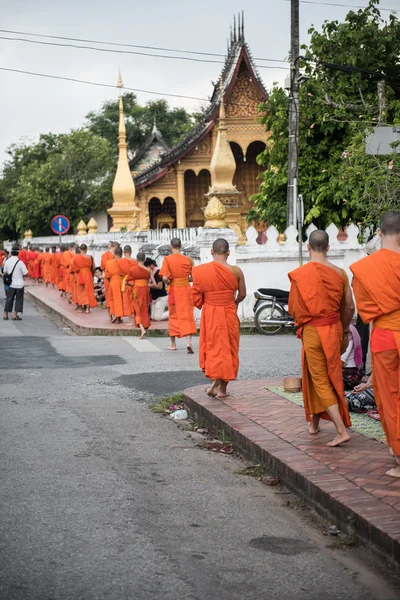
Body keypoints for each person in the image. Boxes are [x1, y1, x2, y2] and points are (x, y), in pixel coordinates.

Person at [288, 230, 354, 447]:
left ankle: (340, 430)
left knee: (320, 378)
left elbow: (294, 309)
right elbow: (349, 306)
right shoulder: (340, 273)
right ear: (328, 247)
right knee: (320, 374)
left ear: (308, 247)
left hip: (313, 331)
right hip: (334, 329)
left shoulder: (301, 274)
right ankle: (314, 423)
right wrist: (344, 329)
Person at [350, 211, 400, 478]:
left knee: (388, 395)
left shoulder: (366, 268)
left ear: (379, 233)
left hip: (384, 336)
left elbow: (366, 312)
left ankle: (399, 454)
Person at [192, 238, 246, 399]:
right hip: (229, 312)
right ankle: (221, 389)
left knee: (214, 349)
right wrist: (233, 302)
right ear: (229, 252)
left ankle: (215, 384)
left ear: (211, 252)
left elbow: (195, 296)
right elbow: (242, 293)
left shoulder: (201, 271)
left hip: (211, 314)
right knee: (229, 349)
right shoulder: (236, 271)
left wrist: (207, 301)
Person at [159, 238, 196, 353]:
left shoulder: (168, 259)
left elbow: (165, 278)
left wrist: (169, 282)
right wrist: (184, 279)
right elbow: (193, 277)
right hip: (185, 289)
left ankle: (173, 344)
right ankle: (189, 342)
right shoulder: (188, 260)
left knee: (173, 315)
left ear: (171, 246)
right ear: (181, 246)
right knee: (187, 315)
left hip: (174, 290)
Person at [127, 252, 153, 338]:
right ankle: (145, 327)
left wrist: (133, 285)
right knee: (144, 309)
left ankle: (142, 328)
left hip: (136, 289)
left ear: (137, 259)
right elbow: (151, 282)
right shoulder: (148, 270)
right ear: (145, 259)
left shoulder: (132, 269)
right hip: (145, 289)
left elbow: (127, 282)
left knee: (137, 309)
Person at [3, 246, 28, 320]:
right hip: (19, 284)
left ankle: (6, 315)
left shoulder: (7, 261)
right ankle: (14, 315)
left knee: (9, 299)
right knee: (19, 300)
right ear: (18, 253)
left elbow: (4, 271)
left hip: (11, 284)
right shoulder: (20, 263)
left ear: (11, 253)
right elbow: (25, 272)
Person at [72, 244, 97, 313]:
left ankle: (81, 307)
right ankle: (88, 309)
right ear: (86, 249)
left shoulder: (76, 258)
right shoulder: (90, 257)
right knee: (88, 291)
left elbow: (75, 269)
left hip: (80, 275)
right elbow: (93, 268)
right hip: (88, 275)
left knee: (81, 291)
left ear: (80, 249)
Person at [105, 246, 125, 324]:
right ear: (122, 254)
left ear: (114, 253)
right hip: (122, 282)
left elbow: (107, 276)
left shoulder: (109, 263)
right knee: (121, 300)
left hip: (113, 282)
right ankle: (118, 317)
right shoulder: (124, 262)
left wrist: (112, 280)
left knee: (113, 299)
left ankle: (116, 316)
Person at [341, 323, 364, 390]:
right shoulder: (351, 328)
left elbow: (342, 359)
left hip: (348, 373)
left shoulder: (348, 331)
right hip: (353, 372)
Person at [119, 245, 137, 319]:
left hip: (125, 281)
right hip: (134, 281)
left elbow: (119, 273)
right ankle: (136, 317)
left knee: (127, 300)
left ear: (123, 252)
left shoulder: (120, 261)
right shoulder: (135, 261)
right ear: (131, 252)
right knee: (134, 299)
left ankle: (130, 320)